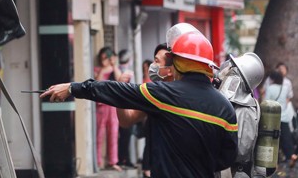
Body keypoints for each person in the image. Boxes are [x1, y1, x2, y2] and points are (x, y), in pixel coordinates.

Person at [41, 28, 238, 178]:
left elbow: (115, 91)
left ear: (178, 63)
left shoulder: (164, 95)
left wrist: (72, 88)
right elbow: (226, 158)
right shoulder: (226, 108)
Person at [118, 43, 174, 178]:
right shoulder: (153, 94)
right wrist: (120, 91)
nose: (152, 66)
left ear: (170, 69)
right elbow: (126, 120)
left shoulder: (187, 95)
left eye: (156, 61)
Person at [214, 52, 265, 178]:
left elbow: (241, 151)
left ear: (237, 76)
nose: (225, 69)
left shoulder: (246, 109)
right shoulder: (231, 104)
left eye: (231, 68)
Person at [93, 47, 124, 171]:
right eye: (104, 57)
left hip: (113, 105)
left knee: (113, 133)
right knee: (99, 133)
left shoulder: (115, 69)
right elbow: (98, 83)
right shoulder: (97, 69)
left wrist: (113, 65)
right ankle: (98, 161)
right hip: (101, 105)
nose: (106, 59)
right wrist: (104, 68)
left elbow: (120, 80)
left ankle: (112, 161)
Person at [264, 70, 293, 164]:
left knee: (274, 138)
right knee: (286, 137)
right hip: (284, 115)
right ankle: (290, 156)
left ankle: (275, 157)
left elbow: (266, 102)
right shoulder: (284, 88)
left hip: (273, 118)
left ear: (272, 79)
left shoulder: (270, 88)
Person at [116, 49, 135, 169]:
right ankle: (123, 159)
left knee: (125, 135)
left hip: (126, 106)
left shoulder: (122, 70)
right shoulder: (126, 72)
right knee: (125, 135)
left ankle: (124, 158)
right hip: (126, 106)